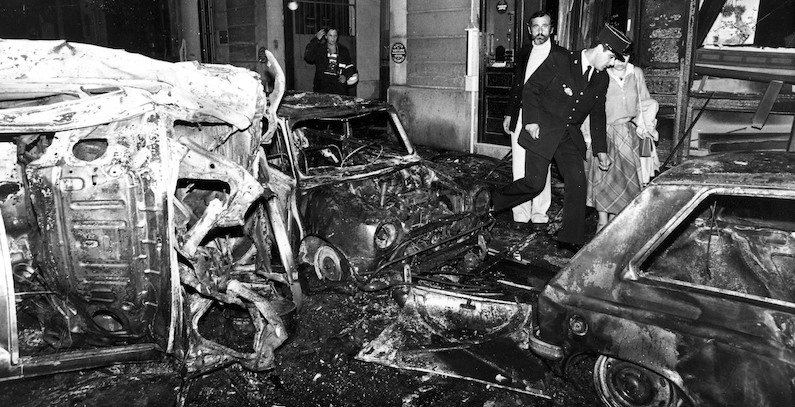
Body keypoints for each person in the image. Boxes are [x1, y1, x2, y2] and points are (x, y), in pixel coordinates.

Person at [491, 24, 631, 252]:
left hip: (568, 135)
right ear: (602, 49)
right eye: (612, 58)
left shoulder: (601, 78)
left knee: (577, 182)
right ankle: (493, 202)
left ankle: (570, 239)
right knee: (534, 185)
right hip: (543, 130)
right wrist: (531, 121)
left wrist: (601, 150)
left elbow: (597, 114)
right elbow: (531, 88)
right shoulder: (560, 59)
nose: (612, 65)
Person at [587, 49, 659, 232]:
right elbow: (592, 109)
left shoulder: (636, 73)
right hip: (605, 133)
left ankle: (613, 224)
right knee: (604, 179)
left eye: (625, 56)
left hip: (629, 133)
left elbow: (644, 105)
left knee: (626, 183)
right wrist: (589, 138)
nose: (620, 61)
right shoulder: (601, 74)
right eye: (616, 57)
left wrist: (646, 144)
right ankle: (601, 223)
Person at [502, 11, 557, 231]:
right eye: (536, 27)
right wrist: (509, 113)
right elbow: (516, 86)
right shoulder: (524, 53)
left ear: (551, 29)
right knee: (519, 166)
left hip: (544, 120)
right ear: (529, 29)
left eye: (545, 26)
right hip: (521, 117)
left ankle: (540, 212)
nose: (540, 31)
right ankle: (521, 211)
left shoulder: (559, 55)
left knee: (542, 166)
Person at [304, 27, 359, 95]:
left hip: (339, 89)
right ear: (326, 36)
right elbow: (308, 57)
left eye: (335, 35)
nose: (333, 38)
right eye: (330, 35)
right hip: (322, 88)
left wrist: (345, 76)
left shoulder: (343, 50)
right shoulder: (320, 50)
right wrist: (315, 39)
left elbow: (350, 67)